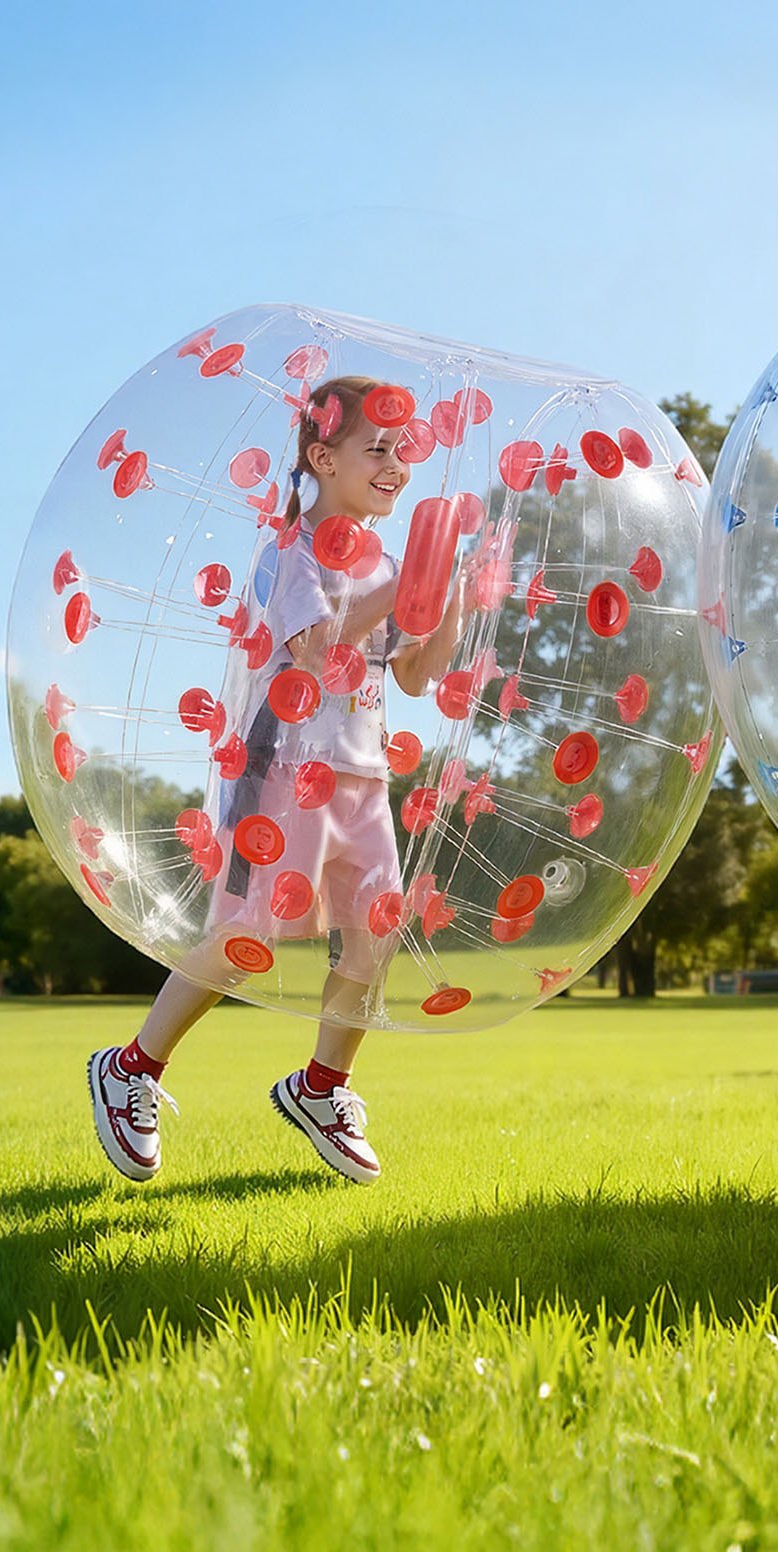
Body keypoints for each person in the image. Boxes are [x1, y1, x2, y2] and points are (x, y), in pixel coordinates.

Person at [88, 376, 464, 1185]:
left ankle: (322, 1087)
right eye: (377, 450)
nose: (396, 465)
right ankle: (132, 1068)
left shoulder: (389, 562)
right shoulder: (289, 554)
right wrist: (404, 587)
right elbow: (317, 656)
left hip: (363, 776)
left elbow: (411, 677)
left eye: (404, 453)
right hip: (285, 774)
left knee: (377, 927)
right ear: (322, 458)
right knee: (249, 934)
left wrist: (452, 600)